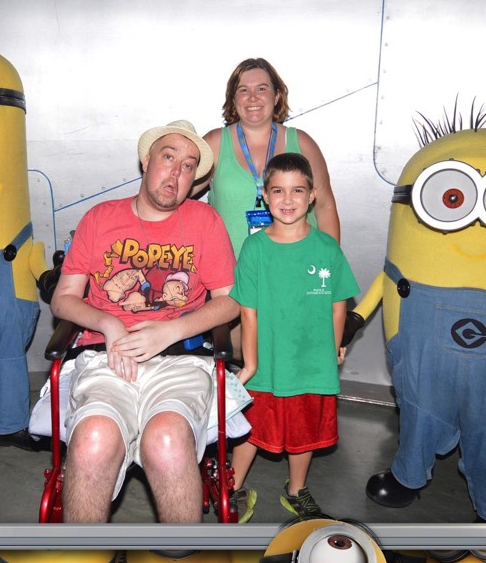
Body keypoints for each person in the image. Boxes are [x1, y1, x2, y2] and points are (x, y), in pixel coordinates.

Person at [50, 120, 239, 523]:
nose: (177, 173)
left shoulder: (205, 223)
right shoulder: (100, 218)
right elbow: (63, 299)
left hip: (180, 359)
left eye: (188, 166)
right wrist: (107, 322)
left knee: (167, 440)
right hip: (106, 357)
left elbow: (229, 303)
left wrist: (171, 329)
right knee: (93, 441)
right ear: (146, 159)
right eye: (169, 158)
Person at [228, 153, 359, 521]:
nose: (288, 200)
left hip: (310, 364)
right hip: (266, 363)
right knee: (252, 430)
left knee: (304, 432)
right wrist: (250, 364)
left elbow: (338, 306)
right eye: (279, 191)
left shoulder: (327, 249)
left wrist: (332, 350)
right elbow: (247, 312)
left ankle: (296, 490)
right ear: (266, 196)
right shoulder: (254, 249)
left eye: (297, 190)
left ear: (313, 195)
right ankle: (232, 487)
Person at [200, 57, 341, 259]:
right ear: (233, 99)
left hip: (298, 270)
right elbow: (177, 192)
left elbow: (325, 206)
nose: (252, 97)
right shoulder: (214, 144)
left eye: (262, 88)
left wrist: (330, 266)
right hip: (233, 279)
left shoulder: (302, 143)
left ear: (276, 96)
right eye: (243, 90)